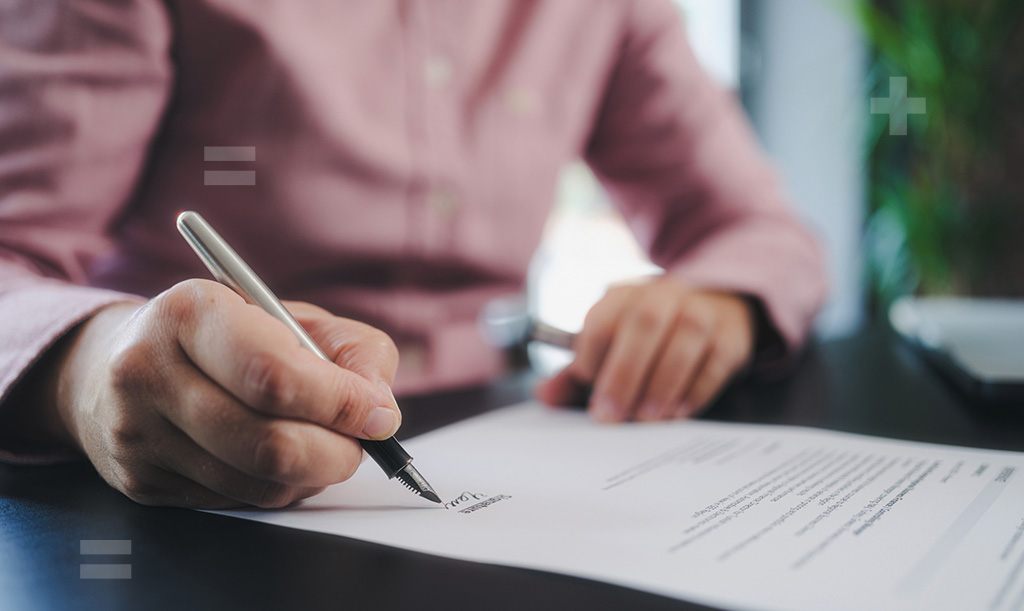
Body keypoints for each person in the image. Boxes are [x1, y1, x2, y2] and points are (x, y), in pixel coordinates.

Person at [0, 0, 826, 509]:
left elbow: (762, 231)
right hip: (187, 481)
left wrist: (717, 298)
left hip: (515, 433)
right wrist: (89, 367)